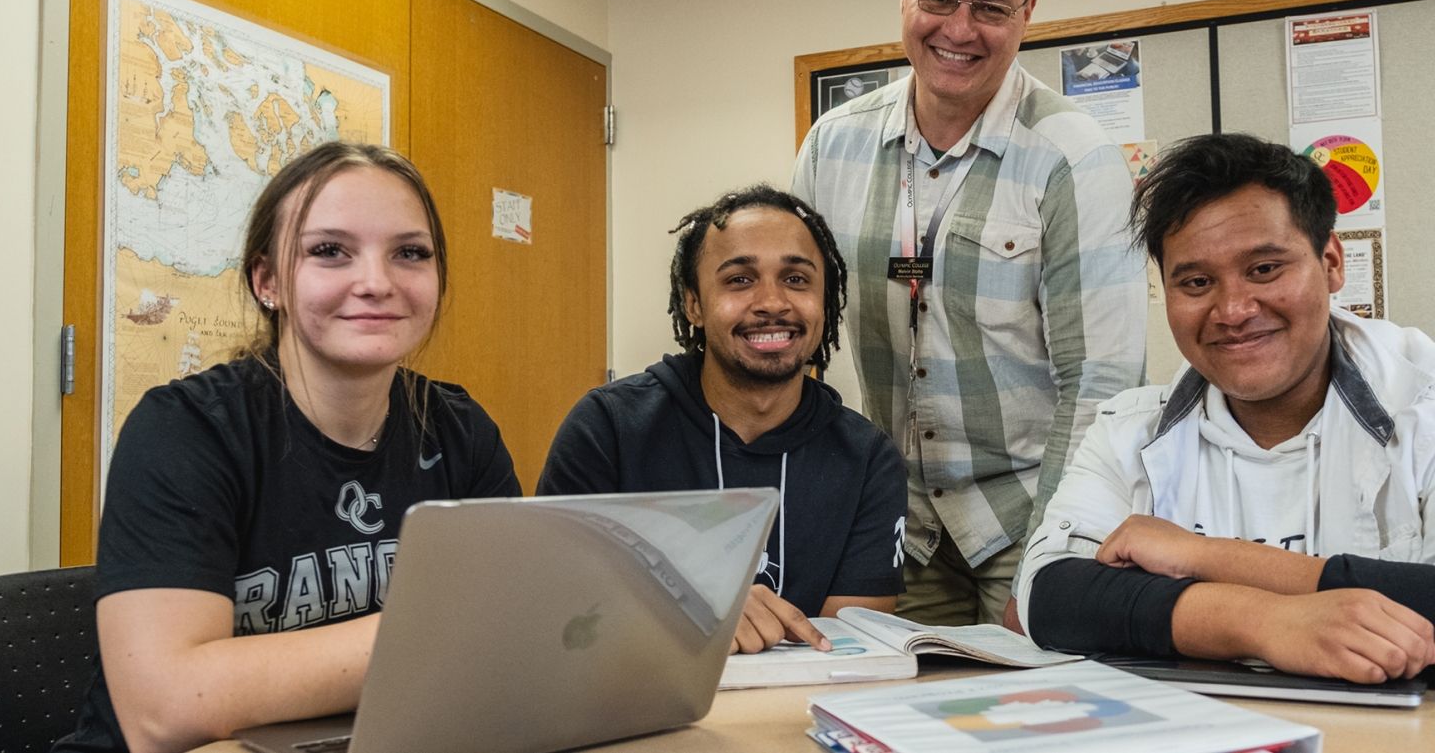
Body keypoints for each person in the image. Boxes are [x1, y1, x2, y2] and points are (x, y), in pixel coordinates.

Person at [55, 142, 520, 753]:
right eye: (330, 251)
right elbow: (167, 711)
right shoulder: (185, 430)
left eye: (410, 253)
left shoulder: (462, 431)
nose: (376, 283)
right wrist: (440, 638)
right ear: (267, 281)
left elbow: (513, 644)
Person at [791, 0, 1146, 628]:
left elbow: (1101, 379)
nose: (959, 29)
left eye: (990, 8)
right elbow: (802, 336)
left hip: (1025, 518)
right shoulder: (834, 144)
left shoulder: (1073, 157)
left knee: (1031, 728)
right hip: (898, 518)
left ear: (1028, 14)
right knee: (891, 721)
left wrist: (1055, 550)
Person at [1017, 133, 1435, 683]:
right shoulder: (1129, 428)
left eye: (1264, 269)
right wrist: (1265, 621)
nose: (1233, 310)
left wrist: (1203, 556)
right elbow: (1051, 596)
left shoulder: (1420, 401)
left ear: (1331, 263)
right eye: (1196, 282)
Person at [538, 185, 906, 654]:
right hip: (638, 706)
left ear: (824, 300)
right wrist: (693, 613)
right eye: (739, 280)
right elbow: (559, 618)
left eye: (796, 279)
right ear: (693, 303)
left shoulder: (870, 460)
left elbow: (845, 651)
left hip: (803, 715)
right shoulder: (607, 428)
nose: (772, 302)